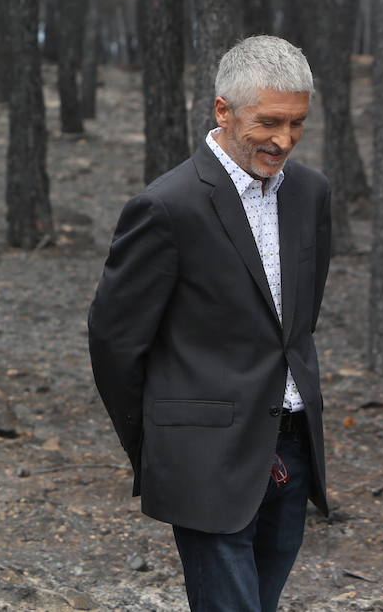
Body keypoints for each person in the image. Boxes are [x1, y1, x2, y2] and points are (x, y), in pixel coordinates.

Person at [88, 35, 332, 612]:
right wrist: (157, 445)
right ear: (223, 110)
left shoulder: (311, 193)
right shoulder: (167, 206)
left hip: (293, 445)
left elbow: (299, 322)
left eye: (297, 123)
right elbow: (114, 340)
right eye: (270, 121)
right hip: (205, 456)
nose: (284, 139)